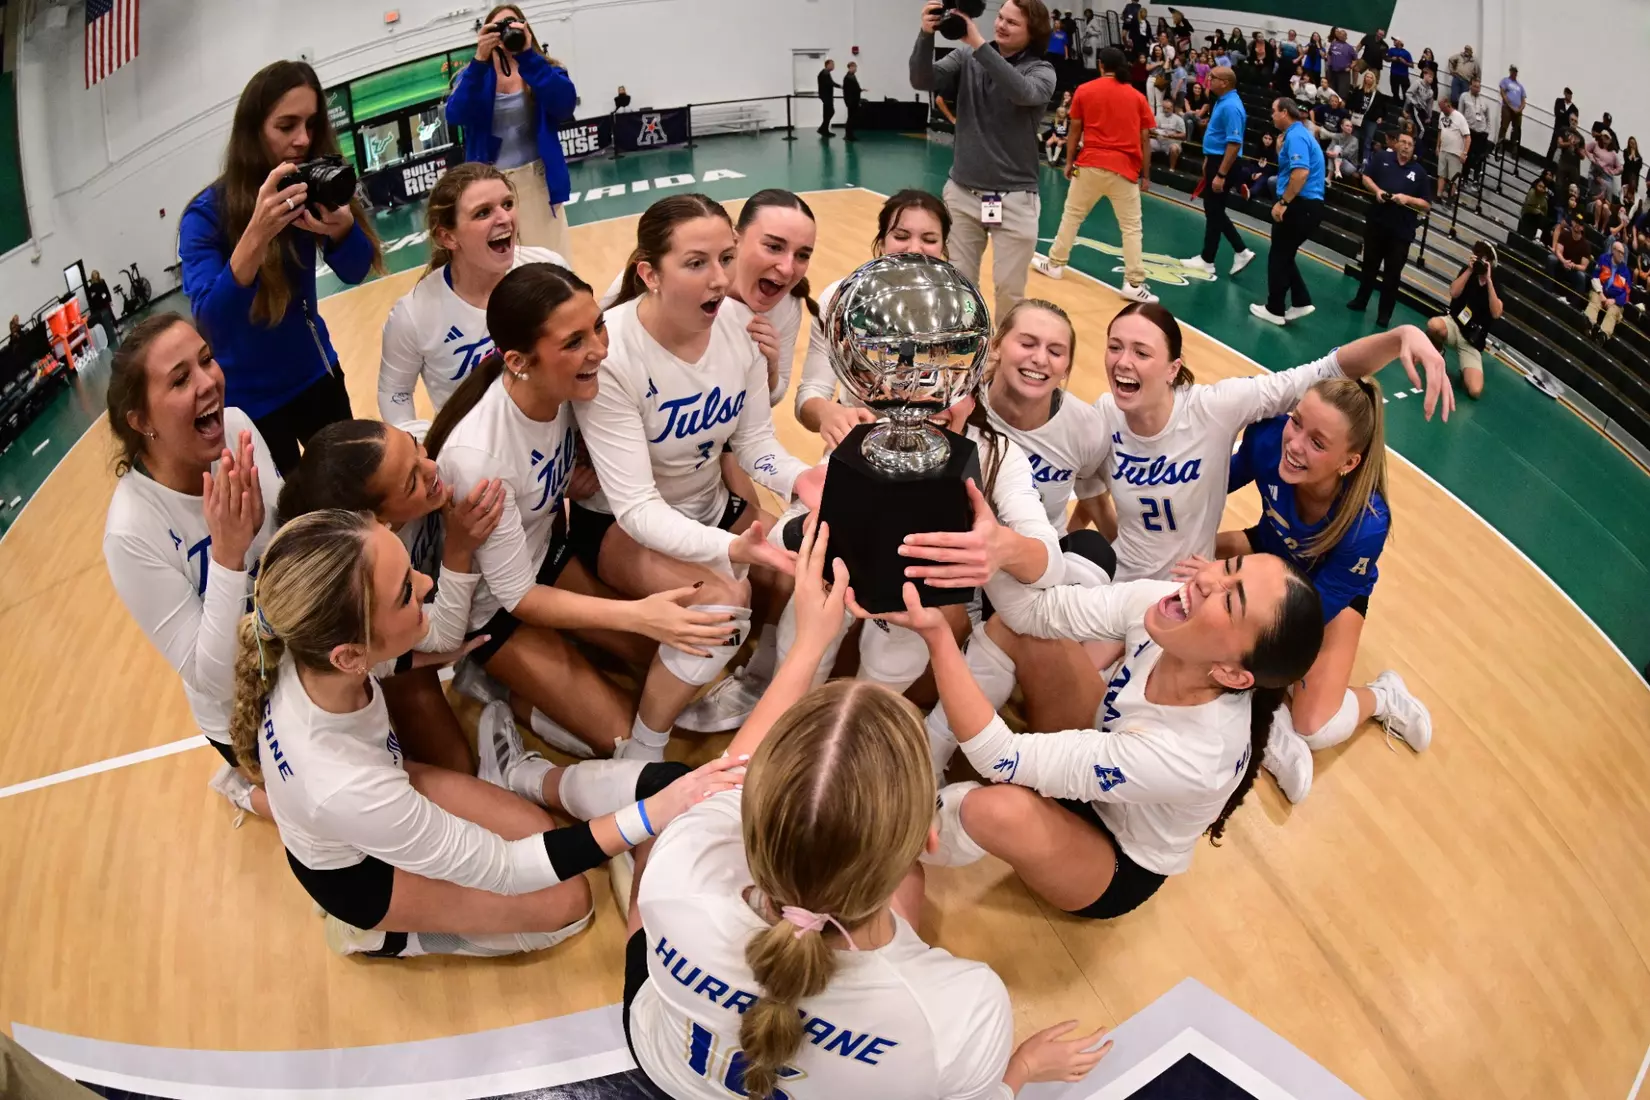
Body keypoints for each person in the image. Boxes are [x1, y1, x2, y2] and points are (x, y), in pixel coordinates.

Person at [623, 523, 1111, 1098]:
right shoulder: (961, 1007)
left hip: (664, 1061)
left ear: (751, 812)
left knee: (667, 804)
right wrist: (1019, 1072)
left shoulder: (682, 868)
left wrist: (807, 644)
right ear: (931, 833)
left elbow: (734, 766)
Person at [233, 506, 742, 957]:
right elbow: (509, 869)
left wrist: (434, 652)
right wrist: (650, 814)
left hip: (375, 786)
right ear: (350, 655)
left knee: (545, 832)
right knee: (569, 904)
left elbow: (373, 671)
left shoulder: (302, 653)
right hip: (359, 875)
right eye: (406, 591)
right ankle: (384, 939)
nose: (425, 583)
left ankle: (513, 778)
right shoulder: (343, 785)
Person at [419, 263, 750, 762]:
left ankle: (555, 658)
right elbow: (518, 597)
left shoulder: (568, 388)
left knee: (669, 666)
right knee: (620, 735)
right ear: (518, 361)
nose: (599, 347)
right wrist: (638, 614)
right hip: (496, 608)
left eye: (597, 325)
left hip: (549, 559)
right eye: (574, 341)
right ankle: (497, 685)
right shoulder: (480, 459)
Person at [907, 547, 1326, 918]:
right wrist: (987, 550)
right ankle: (927, 758)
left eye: (1229, 600)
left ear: (1232, 673)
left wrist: (939, 639)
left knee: (993, 810)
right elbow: (1032, 612)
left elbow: (999, 757)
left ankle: (895, 837)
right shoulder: (1166, 608)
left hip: (1118, 855)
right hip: (1105, 754)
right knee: (1022, 630)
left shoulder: (1195, 755)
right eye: (1227, 566)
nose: (1205, 578)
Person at [572, 195, 806, 759]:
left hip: (708, 503)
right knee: (724, 602)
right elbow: (636, 507)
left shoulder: (741, 327)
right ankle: (644, 751)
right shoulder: (613, 352)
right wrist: (732, 549)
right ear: (649, 273)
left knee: (810, 554)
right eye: (697, 263)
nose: (720, 279)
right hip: (618, 525)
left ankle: (757, 684)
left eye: (726, 258)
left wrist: (806, 480)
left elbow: (754, 444)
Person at [1201, 375, 1434, 803]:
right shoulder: (1270, 439)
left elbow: (1305, 616)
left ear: (1348, 462)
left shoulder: (1367, 522)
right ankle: (1274, 717)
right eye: (1297, 422)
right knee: (1183, 558)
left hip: (1326, 598)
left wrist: (1251, 650)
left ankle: (1383, 697)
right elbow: (1204, 493)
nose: (1296, 443)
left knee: (1317, 727)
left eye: (1318, 443)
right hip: (1269, 552)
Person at [103, 314, 282, 822]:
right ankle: (243, 787)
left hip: (297, 647)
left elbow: (291, 541)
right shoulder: (131, 532)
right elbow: (220, 682)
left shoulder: (238, 427)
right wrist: (227, 555)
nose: (208, 382)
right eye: (180, 379)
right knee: (332, 822)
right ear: (141, 420)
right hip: (241, 708)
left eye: (206, 360)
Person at [178, 60, 381, 476]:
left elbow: (356, 269)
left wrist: (343, 231)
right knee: (284, 517)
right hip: (248, 402)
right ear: (253, 131)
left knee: (351, 486)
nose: (303, 139)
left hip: (315, 375)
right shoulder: (204, 216)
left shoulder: (308, 185)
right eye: (286, 126)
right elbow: (211, 323)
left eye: (310, 123)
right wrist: (255, 235)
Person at [377, 163, 568, 426]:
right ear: (448, 237)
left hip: (555, 436)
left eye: (508, 204)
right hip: (477, 456)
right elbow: (394, 392)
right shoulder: (413, 314)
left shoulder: (549, 269)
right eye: (483, 213)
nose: (504, 218)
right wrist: (418, 446)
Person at [910, 0, 1057, 318]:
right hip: (963, 193)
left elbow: (1021, 92)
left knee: (1009, 290)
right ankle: (966, 343)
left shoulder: (1042, 71)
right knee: (958, 283)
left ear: (1033, 32)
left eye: (1012, 23)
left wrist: (976, 43)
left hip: (1015, 198)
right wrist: (925, 36)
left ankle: (1003, 356)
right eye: (1001, 17)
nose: (1001, 25)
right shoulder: (966, 56)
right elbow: (923, 81)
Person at [795, 189, 950, 450]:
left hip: (932, 446)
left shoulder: (962, 307)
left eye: (929, 239)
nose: (913, 248)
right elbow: (809, 396)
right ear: (881, 243)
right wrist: (827, 414)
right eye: (901, 236)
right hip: (859, 444)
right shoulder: (839, 299)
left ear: (944, 247)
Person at [445, 6, 576, 259]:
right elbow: (455, 115)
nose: (505, 32)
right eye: (497, 27)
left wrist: (527, 57)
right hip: (490, 184)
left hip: (538, 180)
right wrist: (479, 61)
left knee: (552, 261)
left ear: (526, 28)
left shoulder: (544, 69)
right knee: (501, 265)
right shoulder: (473, 77)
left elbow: (564, 105)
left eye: (512, 24)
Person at [1032, 47, 1158, 302]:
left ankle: (1055, 265)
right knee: (1131, 228)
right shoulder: (1137, 97)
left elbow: (1074, 131)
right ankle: (1133, 283)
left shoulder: (1085, 90)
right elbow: (1145, 138)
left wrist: (1069, 162)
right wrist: (1146, 175)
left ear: (1100, 65)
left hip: (1090, 164)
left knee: (1073, 215)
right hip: (1124, 169)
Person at [1252, 98, 1327, 327]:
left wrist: (1283, 202)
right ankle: (1301, 300)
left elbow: (1301, 173)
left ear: (1285, 112)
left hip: (1299, 204)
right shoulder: (1297, 135)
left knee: (1278, 255)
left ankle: (1274, 309)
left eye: (1274, 111)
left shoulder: (1296, 136)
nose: (1271, 115)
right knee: (1284, 253)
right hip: (1306, 206)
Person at [1179, 67, 1257, 279]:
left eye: (1212, 78)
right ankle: (1209, 258)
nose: (1208, 80)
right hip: (1215, 159)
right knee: (1213, 210)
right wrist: (1207, 161)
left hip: (1225, 163)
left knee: (1214, 209)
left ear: (1224, 82)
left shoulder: (1232, 106)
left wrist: (1221, 174)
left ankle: (1238, 251)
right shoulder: (1222, 101)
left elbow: (1234, 143)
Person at [1349, 132, 1432, 326]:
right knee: (1369, 265)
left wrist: (1407, 199)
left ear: (1413, 149)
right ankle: (1361, 301)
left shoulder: (1419, 173)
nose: (1405, 146)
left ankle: (1384, 315)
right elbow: (1366, 178)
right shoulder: (1382, 158)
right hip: (1376, 224)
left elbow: (1426, 204)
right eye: (1402, 142)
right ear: (1396, 144)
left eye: (1409, 144)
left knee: (1392, 275)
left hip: (1401, 233)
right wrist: (1377, 191)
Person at [1427, 241, 1502, 399]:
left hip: (1472, 341)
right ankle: (1437, 353)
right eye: (1479, 256)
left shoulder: (1495, 284)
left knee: (1475, 391)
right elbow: (1454, 293)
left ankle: (1465, 371)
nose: (1481, 261)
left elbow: (1496, 313)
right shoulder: (1467, 272)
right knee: (1434, 326)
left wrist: (1488, 281)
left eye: (1485, 259)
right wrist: (1469, 269)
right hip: (1454, 325)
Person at [1586, 240, 1632, 344]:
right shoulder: (1603, 258)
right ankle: (1588, 323)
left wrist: (1614, 300)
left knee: (1614, 311)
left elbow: (1626, 293)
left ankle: (1603, 335)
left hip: (1615, 301)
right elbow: (1595, 277)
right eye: (1620, 252)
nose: (1622, 255)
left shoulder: (1626, 271)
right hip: (1600, 292)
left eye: (1623, 253)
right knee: (1595, 300)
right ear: (1613, 250)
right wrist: (1601, 293)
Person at [1457, 77, 1493, 183]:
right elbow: (1460, 113)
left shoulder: (1484, 101)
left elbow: (1488, 118)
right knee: (1467, 155)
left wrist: (1487, 131)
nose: (1477, 89)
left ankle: (1476, 179)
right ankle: (1464, 177)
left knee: (1479, 157)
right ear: (1470, 86)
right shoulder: (1464, 96)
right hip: (1469, 131)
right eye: (1475, 86)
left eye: (1479, 87)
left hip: (1481, 133)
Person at [1547, 217, 1594, 296]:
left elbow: (1583, 267)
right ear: (1572, 223)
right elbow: (1558, 251)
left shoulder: (1586, 245)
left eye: (1580, 224)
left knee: (1581, 276)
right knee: (1551, 258)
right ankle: (1547, 289)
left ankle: (1573, 305)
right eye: (1576, 222)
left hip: (1573, 270)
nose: (1577, 225)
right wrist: (1564, 261)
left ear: (1582, 228)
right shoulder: (1565, 234)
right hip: (1561, 263)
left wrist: (1573, 265)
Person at [1435, 97, 1470, 200]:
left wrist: (1464, 153)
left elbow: (1468, 137)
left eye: (1443, 108)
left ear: (1448, 104)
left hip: (1455, 153)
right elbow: (1440, 131)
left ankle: (1451, 198)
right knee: (1441, 174)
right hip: (1443, 149)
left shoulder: (1459, 117)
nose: (1441, 111)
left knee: (1453, 178)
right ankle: (1438, 196)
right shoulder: (1442, 114)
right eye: (1440, 109)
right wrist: (1438, 146)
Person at [1496, 65, 1525, 160]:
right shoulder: (1505, 81)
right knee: (1504, 127)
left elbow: (1523, 100)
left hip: (1517, 111)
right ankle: (1499, 149)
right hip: (1507, 108)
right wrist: (1510, 105)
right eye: (1513, 71)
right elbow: (1503, 93)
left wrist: (1519, 109)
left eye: (1515, 71)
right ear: (1510, 71)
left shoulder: (1520, 86)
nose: (1514, 73)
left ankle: (1514, 152)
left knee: (1516, 130)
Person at [1150, 97, 1187, 170]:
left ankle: (1172, 168)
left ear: (1172, 108)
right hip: (1159, 140)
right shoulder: (1158, 117)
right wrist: (1154, 132)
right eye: (1164, 108)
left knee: (1174, 148)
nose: (1166, 110)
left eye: (1168, 108)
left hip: (1172, 141)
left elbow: (1183, 135)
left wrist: (1173, 135)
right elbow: (1151, 128)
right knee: (1147, 142)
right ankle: (1147, 164)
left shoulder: (1178, 119)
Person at [85, 269, 118, 345]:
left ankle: (116, 328)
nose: (96, 276)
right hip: (99, 305)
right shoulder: (92, 287)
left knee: (111, 315)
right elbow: (92, 298)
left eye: (96, 275)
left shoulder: (102, 282)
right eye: (94, 275)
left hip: (105, 302)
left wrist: (109, 299)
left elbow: (106, 291)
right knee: (105, 318)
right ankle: (110, 331)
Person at [1547, 88, 1579, 163]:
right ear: (1564, 93)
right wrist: (1566, 116)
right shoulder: (1559, 101)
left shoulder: (1574, 109)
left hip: (1566, 132)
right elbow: (1557, 113)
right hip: (1557, 129)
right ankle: (1547, 166)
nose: (1569, 96)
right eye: (1567, 94)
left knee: (1563, 150)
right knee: (1552, 147)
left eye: (1570, 95)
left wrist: (1564, 114)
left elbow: (1573, 121)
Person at [1326, 118, 1362, 182]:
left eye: (1351, 126)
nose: (1349, 128)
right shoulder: (1337, 136)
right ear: (1342, 126)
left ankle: (1329, 177)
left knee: (1337, 149)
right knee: (1335, 150)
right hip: (1337, 159)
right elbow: (1329, 149)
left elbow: (1346, 154)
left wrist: (1334, 153)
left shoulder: (1354, 140)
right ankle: (1337, 172)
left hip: (1350, 164)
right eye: (1347, 126)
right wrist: (1329, 152)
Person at [1326, 28, 1355, 99]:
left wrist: (1350, 67)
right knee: (1331, 91)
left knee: (1342, 93)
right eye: (1340, 35)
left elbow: (1355, 60)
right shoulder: (1333, 44)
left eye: (1343, 35)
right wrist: (1329, 63)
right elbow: (1329, 54)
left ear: (1346, 37)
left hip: (1343, 73)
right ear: (1338, 36)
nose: (1341, 36)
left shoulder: (1349, 48)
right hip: (1332, 71)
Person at [1518, 175, 1550, 239]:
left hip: (1536, 220)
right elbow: (1527, 207)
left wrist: (1539, 212)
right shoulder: (1532, 192)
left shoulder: (1544, 199)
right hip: (1527, 216)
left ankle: (1537, 237)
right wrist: (1537, 211)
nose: (1541, 189)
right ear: (1536, 185)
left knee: (1543, 220)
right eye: (1540, 186)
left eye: (1543, 187)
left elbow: (1544, 213)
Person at [817, 58, 839, 138]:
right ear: (828, 65)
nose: (833, 66)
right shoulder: (825, 73)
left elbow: (830, 83)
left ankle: (824, 130)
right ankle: (822, 129)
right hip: (826, 96)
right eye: (832, 64)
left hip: (827, 96)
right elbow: (830, 83)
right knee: (830, 112)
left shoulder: (825, 73)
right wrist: (841, 86)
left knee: (827, 113)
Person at [1386, 36, 1412, 100]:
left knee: (1406, 92)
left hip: (1404, 75)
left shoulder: (1406, 53)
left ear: (1400, 42)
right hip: (1394, 74)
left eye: (1395, 40)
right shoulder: (1391, 50)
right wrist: (1392, 59)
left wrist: (1404, 62)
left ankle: (1405, 107)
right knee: (1394, 91)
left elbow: (1412, 65)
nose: (1394, 41)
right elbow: (1386, 58)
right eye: (1393, 40)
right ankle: (1396, 103)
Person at [842, 61, 863, 141]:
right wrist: (849, 102)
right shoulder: (848, 77)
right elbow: (847, 91)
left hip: (854, 101)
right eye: (854, 67)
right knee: (851, 118)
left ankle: (849, 135)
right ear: (850, 67)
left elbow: (854, 89)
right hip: (851, 102)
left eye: (856, 67)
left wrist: (860, 90)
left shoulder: (852, 76)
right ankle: (848, 135)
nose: (855, 68)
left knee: (852, 118)